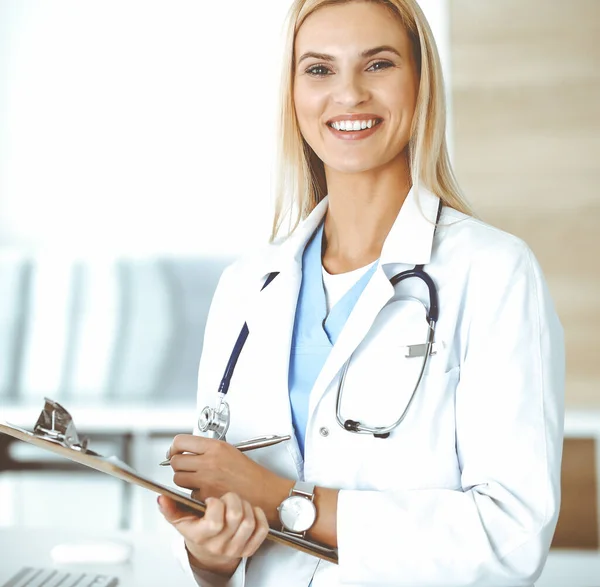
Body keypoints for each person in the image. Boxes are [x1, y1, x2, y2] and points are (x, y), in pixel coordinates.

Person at [158, 0, 565, 585]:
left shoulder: (494, 272)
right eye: (319, 70)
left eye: (377, 65)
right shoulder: (247, 286)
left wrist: (282, 499)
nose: (348, 95)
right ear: (293, 94)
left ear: (420, 84)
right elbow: (219, 511)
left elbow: (510, 536)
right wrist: (210, 555)